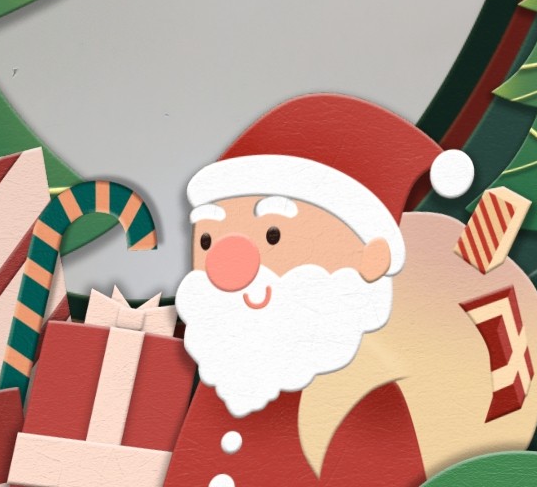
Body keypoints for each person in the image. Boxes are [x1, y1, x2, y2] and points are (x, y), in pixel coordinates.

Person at [165, 94, 475, 486]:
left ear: (372, 258)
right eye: (207, 240)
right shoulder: (227, 374)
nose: (226, 270)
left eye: (273, 235)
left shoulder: (365, 400)